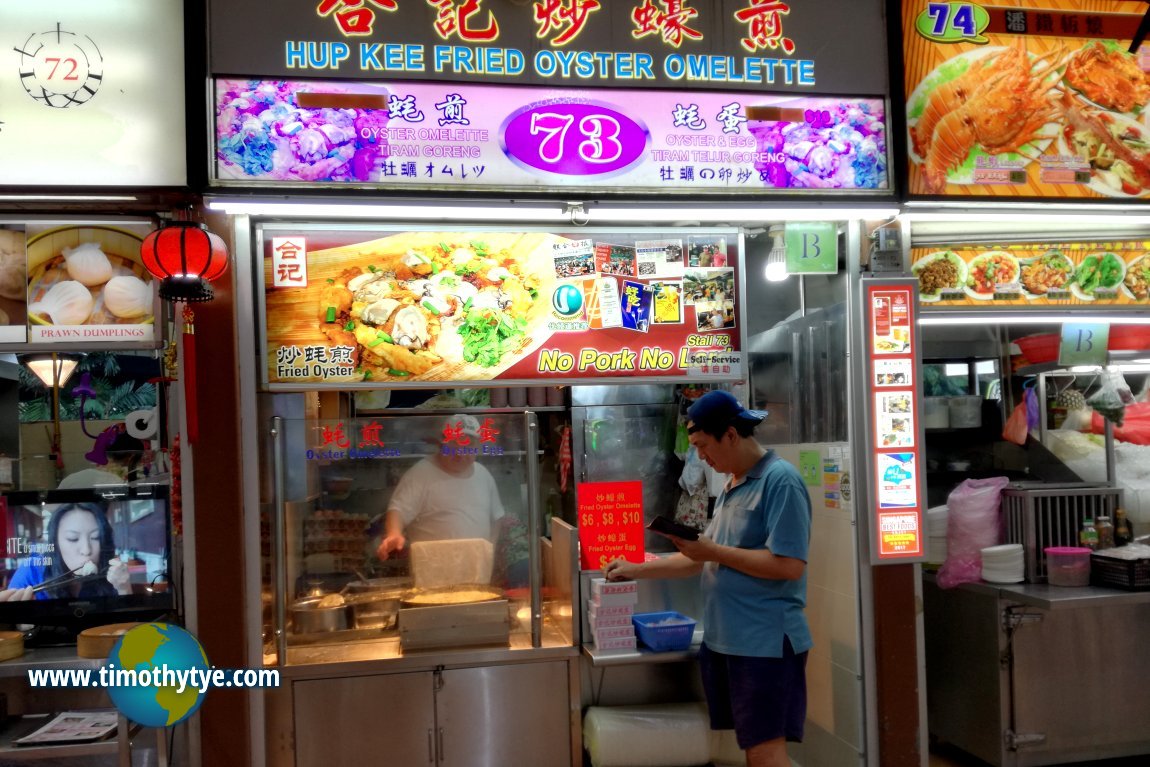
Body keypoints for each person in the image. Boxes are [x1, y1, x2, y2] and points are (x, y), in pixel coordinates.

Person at [604, 390, 812, 767]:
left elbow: (789, 566)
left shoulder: (780, 481)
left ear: (730, 434)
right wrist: (634, 569)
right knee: (753, 750)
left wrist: (711, 552)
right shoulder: (734, 484)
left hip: (765, 644)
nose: (700, 456)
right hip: (727, 642)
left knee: (766, 751)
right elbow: (699, 560)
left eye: (702, 445)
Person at [376, 414, 505, 560]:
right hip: (433, 571)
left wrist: (490, 550)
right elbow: (398, 510)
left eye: (468, 448)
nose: (461, 454)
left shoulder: (483, 474)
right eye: (454, 446)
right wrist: (394, 534)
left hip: (476, 569)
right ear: (441, 444)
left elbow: (497, 517)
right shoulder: (421, 473)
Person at [2, 502, 131, 601]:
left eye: (95, 538)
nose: (86, 550)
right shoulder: (31, 569)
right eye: (73, 538)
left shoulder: (111, 572)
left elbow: (126, 630)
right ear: (56, 543)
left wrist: (123, 588)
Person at [58, 427, 145, 489]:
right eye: (139, 463)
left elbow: (52, 510)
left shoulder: (71, 479)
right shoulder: (117, 485)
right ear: (131, 457)